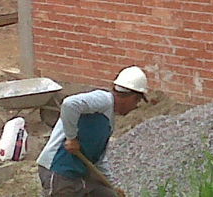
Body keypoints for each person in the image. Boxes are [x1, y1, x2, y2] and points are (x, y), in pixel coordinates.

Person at [37, 65, 148, 197]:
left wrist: (113, 186)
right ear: (132, 96)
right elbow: (69, 104)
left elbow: (99, 161)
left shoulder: (109, 122)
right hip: (59, 170)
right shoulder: (103, 100)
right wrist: (71, 138)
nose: (136, 106)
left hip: (79, 175)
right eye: (137, 101)